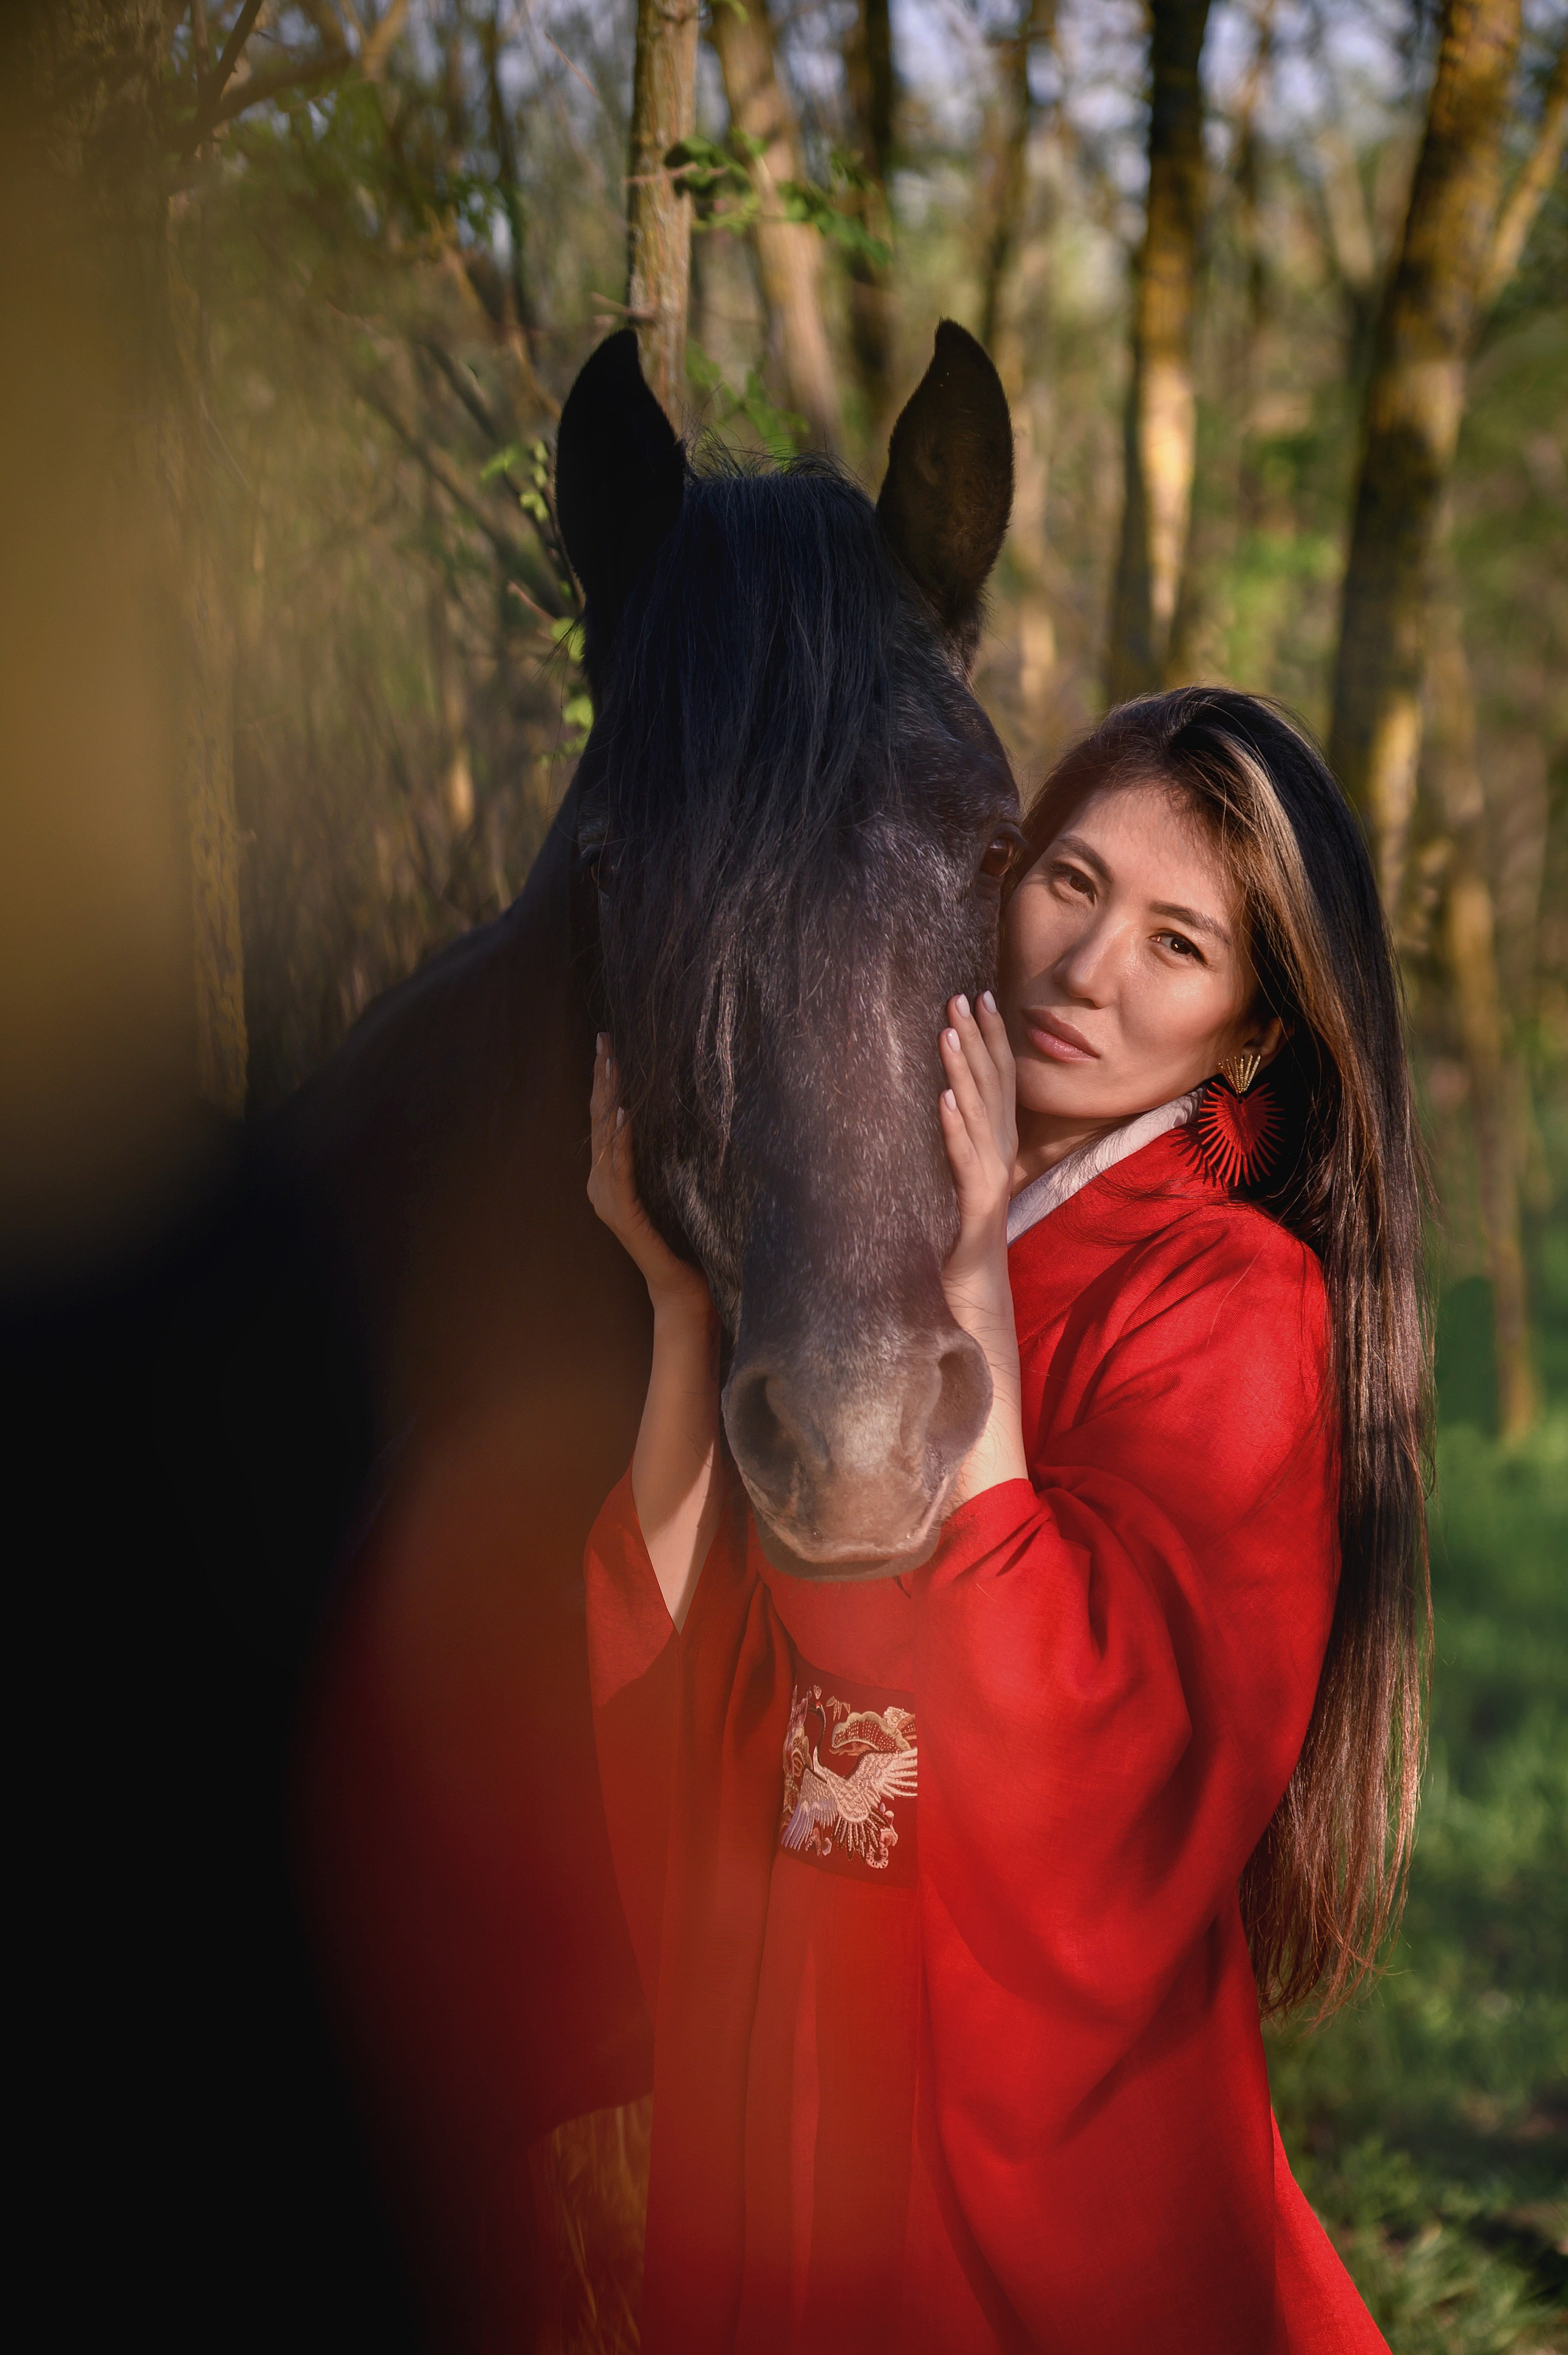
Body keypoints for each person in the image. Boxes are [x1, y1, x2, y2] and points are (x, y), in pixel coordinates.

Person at [582, 687, 1429, 2353]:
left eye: (1180, 944)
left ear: (1253, 1031)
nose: (1091, 967)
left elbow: (1100, 1769)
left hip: (1002, 2100)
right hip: (784, 2025)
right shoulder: (860, 1199)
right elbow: (703, 1654)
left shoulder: (1235, 1301)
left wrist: (975, 1299)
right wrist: (683, 1311)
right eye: (1071, 883)